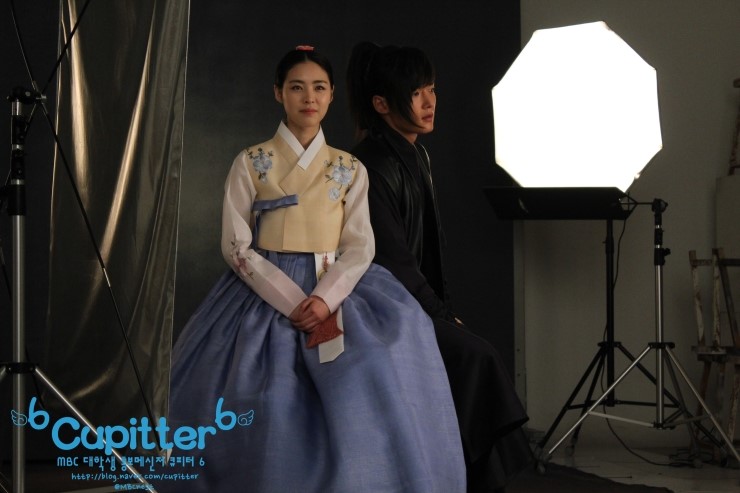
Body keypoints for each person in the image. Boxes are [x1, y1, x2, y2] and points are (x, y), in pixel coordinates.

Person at [157, 46, 466, 493]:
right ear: (278, 93)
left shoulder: (350, 168)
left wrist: (324, 298)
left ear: (332, 94)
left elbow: (360, 245)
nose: (309, 98)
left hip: (335, 282)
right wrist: (292, 301)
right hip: (263, 284)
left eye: (319, 88)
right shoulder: (250, 161)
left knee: (381, 361)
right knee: (257, 392)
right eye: (297, 87)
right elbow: (236, 245)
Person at [347, 42, 533, 493]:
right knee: (475, 356)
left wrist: (442, 310)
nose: (429, 102)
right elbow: (392, 261)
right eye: (416, 93)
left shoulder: (417, 154)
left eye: (431, 89)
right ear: (382, 104)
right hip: (378, 303)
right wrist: (440, 314)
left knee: (472, 357)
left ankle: (471, 477)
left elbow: (428, 251)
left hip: (414, 300)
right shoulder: (370, 164)